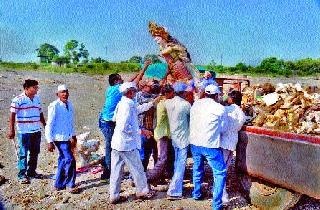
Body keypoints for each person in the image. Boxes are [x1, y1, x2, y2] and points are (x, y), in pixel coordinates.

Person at [99, 60, 152, 183]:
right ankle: (108, 171)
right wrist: (144, 68)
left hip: (106, 120)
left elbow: (130, 81)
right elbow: (133, 82)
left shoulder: (112, 88)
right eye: (120, 78)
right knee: (110, 146)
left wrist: (140, 72)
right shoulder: (118, 90)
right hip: (107, 122)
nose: (122, 79)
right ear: (116, 81)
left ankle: (110, 168)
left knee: (113, 146)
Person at [109, 82, 158, 204]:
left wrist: (152, 102)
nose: (136, 93)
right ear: (130, 92)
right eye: (134, 92)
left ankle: (114, 196)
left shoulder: (124, 103)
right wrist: (141, 131)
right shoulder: (126, 105)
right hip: (126, 144)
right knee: (138, 169)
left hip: (117, 144)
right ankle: (143, 191)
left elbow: (136, 110)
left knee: (116, 171)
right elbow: (123, 126)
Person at [189, 84, 227, 210]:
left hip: (194, 142)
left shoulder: (196, 104)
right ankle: (216, 205)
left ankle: (197, 193)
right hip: (210, 145)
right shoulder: (219, 108)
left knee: (197, 168)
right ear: (216, 95)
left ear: (205, 93)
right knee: (220, 172)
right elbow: (223, 128)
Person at [7, 79, 46, 184]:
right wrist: (12, 130)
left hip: (36, 130)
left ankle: (31, 172)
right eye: (35, 87)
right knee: (23, 153)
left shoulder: (37, 98)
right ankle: (21, 175)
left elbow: (40, 112)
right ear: (27, 88)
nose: (37, 89)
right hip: (24, 131)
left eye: (37, 87)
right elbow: (12, 115)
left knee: (35, 152)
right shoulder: (17, 99)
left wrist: (45, 124)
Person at [45, 84, 79, 193]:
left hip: (67, 136)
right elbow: (49, 124)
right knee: (70, 159)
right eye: (62, 92)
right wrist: (49, 141)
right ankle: (70, 185)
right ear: (57, 94)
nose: (65, 94)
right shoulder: (54, 106)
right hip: (58, 137)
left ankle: (58, 184)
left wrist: (73, 135)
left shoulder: (70, 105)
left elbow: (70, 122)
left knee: (63, 159)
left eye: (66, 92)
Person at [164, 82, 191, 200]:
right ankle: (174, 191)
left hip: (174, 138)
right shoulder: (186, 105)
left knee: (177, 162)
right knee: (181, 164)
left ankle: (177, 184)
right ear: (184, 92)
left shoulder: (168, 103)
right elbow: (191, 119)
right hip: (184, 138)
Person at [220, 90, 246, 202]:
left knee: (220, 169)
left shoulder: (226, 109)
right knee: (225, 166)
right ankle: (221, 191)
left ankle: (222, 194)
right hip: (232, 142)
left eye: (229, 97)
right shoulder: (241, 112)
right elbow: (240, 125)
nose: (227, 98)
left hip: (224, 141)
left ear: (232, 99)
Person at [147, 84, 175, 184]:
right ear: (167, 93)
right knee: (163, 158)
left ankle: (159, 176)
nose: (173, 95)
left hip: (160, 132)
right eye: (172, 93)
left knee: (161, 156)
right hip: (162, 134)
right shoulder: (165, 104)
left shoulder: (160, 102)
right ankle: (149, 177)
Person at [136, 79, 158, 171]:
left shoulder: (155, 96)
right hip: (143, 129)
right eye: (150, 84)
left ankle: (155, 176)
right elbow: (140, 108)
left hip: (153, 129)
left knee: (155, 152)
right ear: (144, 87)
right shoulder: (138, 96)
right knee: (143, 154)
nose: (152, 85)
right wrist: (153, 101)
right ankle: (137, 176)